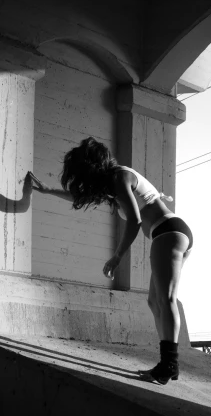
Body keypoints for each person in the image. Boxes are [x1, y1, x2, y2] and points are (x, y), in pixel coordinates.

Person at [29, 137, 193, 385]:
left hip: (168, 231)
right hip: (169, 233)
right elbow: (80, 196)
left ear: (92, 165)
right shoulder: (112, 184)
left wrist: (117, 257)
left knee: (166, 298)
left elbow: (136, 221)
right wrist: (48, 190)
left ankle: (169, 364)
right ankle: (169, 363)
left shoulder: (119, 177)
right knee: (154, 300)